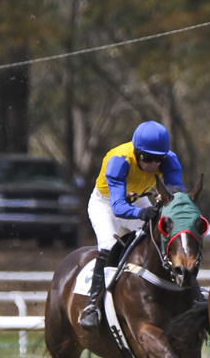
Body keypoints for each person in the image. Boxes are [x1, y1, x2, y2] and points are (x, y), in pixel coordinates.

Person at [79, 120, 184, 330]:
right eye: (147, 158)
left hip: (138, 202)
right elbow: (118, 206)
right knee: (109, 246)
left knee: (161, 238)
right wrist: (142, 212)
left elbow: (176, 195)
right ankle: (93, 307)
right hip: (106, 204)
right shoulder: (119, 160)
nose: (153, 165)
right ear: (136, 152)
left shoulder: (170, 160)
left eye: (158, 160)